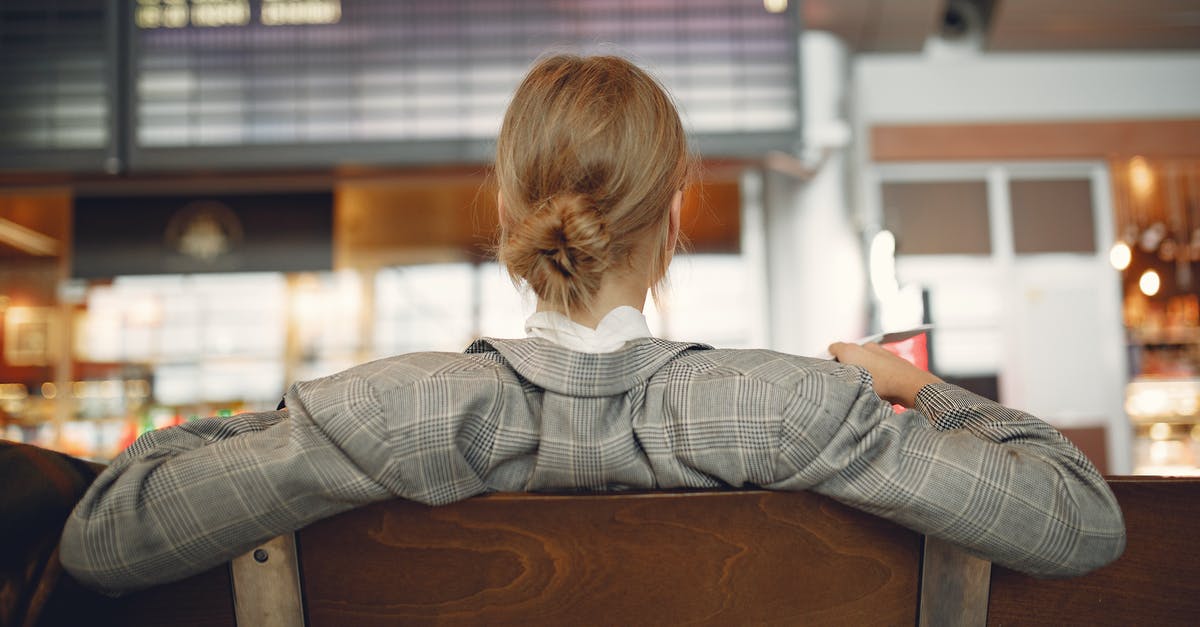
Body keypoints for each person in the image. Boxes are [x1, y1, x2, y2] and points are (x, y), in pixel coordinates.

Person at [60, 54, 1125, 595]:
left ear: (516, 218)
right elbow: (1080, 521)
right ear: (672, 226)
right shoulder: (800, 410)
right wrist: (915, 389)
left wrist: (279, 422)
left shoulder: (383, 413)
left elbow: (107, 538)